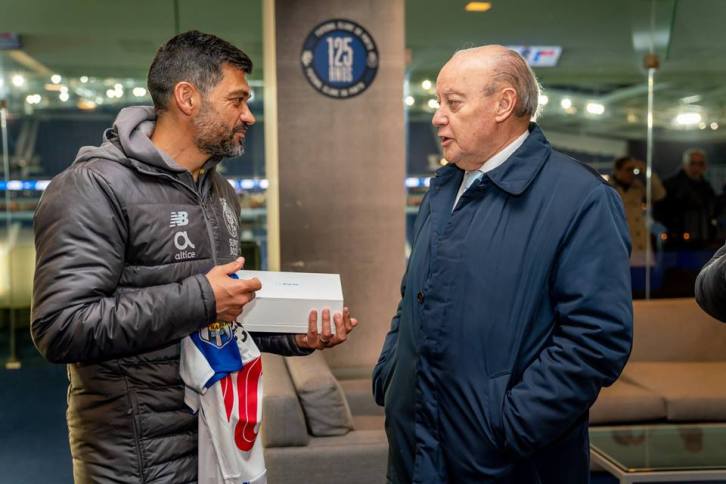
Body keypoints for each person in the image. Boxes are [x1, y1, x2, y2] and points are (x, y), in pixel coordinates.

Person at [31, 31, 357, 483]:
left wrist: (295, 338)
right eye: (237, 100)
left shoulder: (219, 191)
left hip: (216, 445)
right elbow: (61, 327)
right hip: (136, 461)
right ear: (187, 98)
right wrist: (203, 297)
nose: (249, 115)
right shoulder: (92, 187)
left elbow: (221, 318)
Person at [372, 46, 632, 483]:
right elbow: (413, 298)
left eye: (453, 103)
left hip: (510, 463)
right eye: (438, 102)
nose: (437, 117)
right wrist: (391, 375)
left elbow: (596, 339)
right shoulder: (442, 191)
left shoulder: (580, 198)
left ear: (504, 104)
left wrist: (511, 425)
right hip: (414, 451)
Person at [610, 156, 665, 267]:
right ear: (617, 171)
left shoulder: (638, 187)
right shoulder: (608, 189)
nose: (632, 173)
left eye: (634, 170)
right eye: (628, 169)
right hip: (620, 243)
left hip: (640, 242)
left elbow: (659, 194)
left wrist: (646, 171)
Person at [655, 148, 716, 248]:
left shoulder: (706, 187)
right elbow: (659, 211)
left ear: (705, 166)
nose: (696, 167)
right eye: (692, 163)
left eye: (700, 164)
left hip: (702, 239)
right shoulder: (670, 185)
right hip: (676, 240)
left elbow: (712, 211)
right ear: (684, 164)